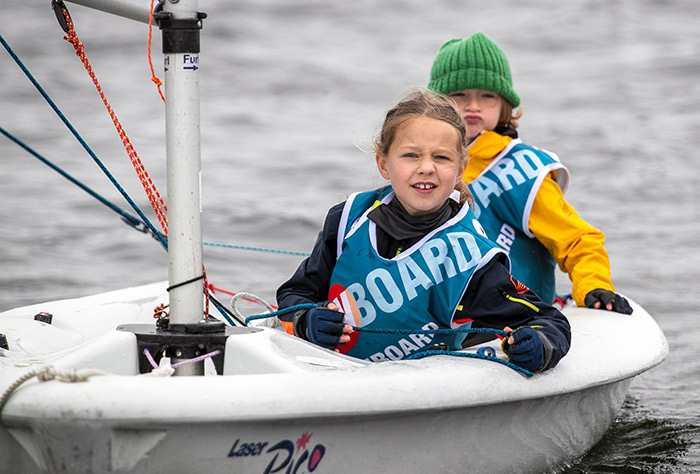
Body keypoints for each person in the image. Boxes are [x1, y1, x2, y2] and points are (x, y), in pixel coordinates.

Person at [276, 89, 570, 373]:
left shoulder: (470, 257)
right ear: (383, 163)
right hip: (328, 374)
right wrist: (305, 320)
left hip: (413, 395)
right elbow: (295, 293)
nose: (426, 167)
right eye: (411, 156)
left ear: (460, 169)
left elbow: (549, 322)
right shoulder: (347, 219)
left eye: (441, 158)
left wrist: (539, 344)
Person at [427, 32, 632, 314]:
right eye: (459, 95)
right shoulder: (421, 166)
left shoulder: (521, 171)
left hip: (517, 318)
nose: (473, 105)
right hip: (446, 319)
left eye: (487, 95)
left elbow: (577, 239)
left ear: (504, 107)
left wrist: (593, 285)